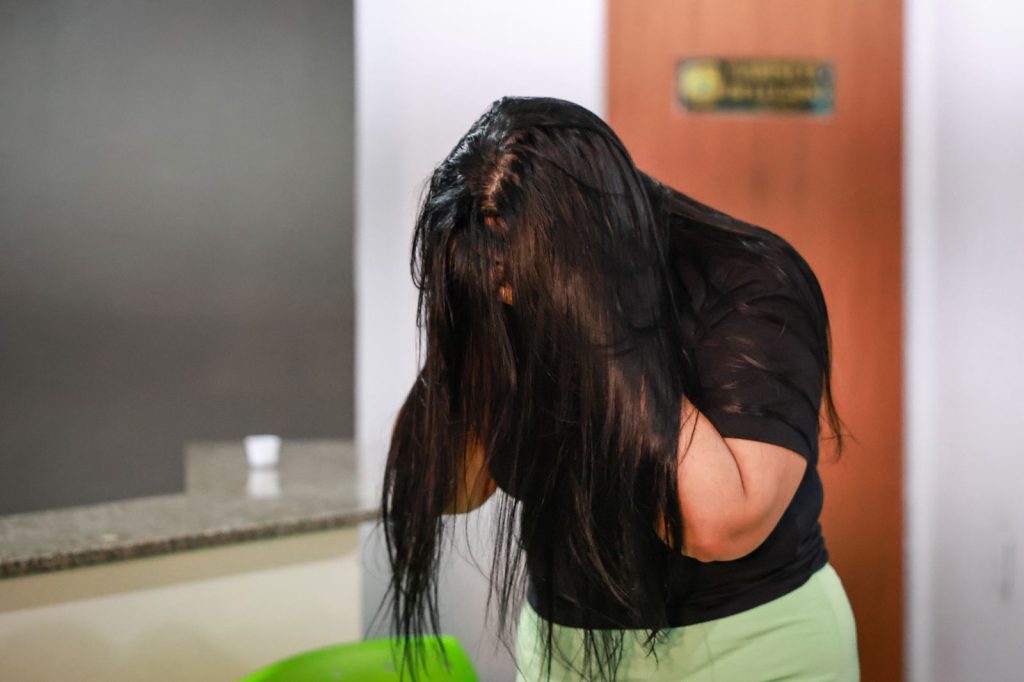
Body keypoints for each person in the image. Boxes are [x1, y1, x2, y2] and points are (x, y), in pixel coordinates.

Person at [380, 96, 860, 681]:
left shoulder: (749, 282)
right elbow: (444, 487)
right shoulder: (496, 283)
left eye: (515, 279)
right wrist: (465, 331)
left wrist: (602, 320)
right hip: (563, 647)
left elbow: (719, 528)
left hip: (751, 644)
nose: (507, 296)